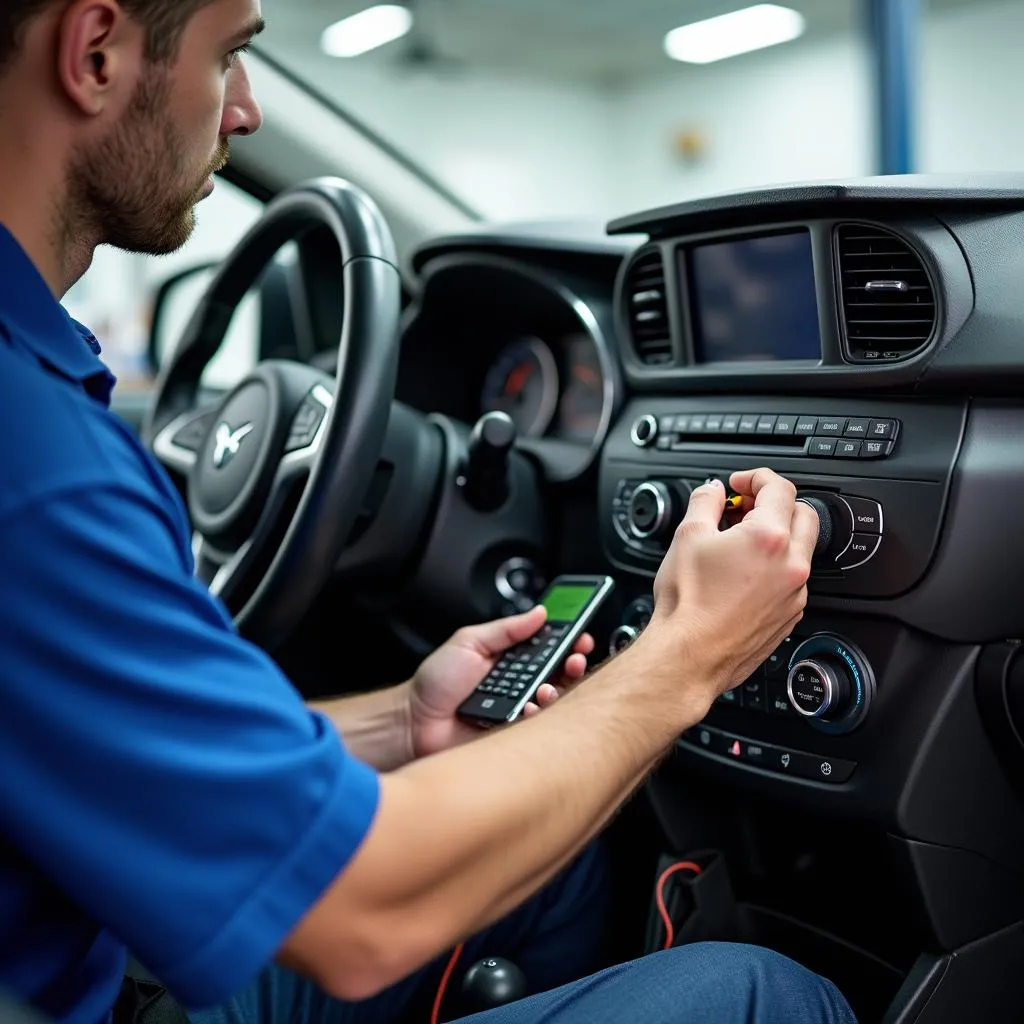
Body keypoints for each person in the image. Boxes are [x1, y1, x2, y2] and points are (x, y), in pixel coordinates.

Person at [0, 1, 857, 1023]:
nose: (245, 109)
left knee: (559, 863)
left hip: (79, 947)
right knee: (768, 995)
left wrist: (394, 723)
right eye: (229, 56)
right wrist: (689, 652)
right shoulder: (40, 468)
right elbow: (357, 914)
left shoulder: (38, 400)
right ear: (96, 53)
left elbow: (114, 755)